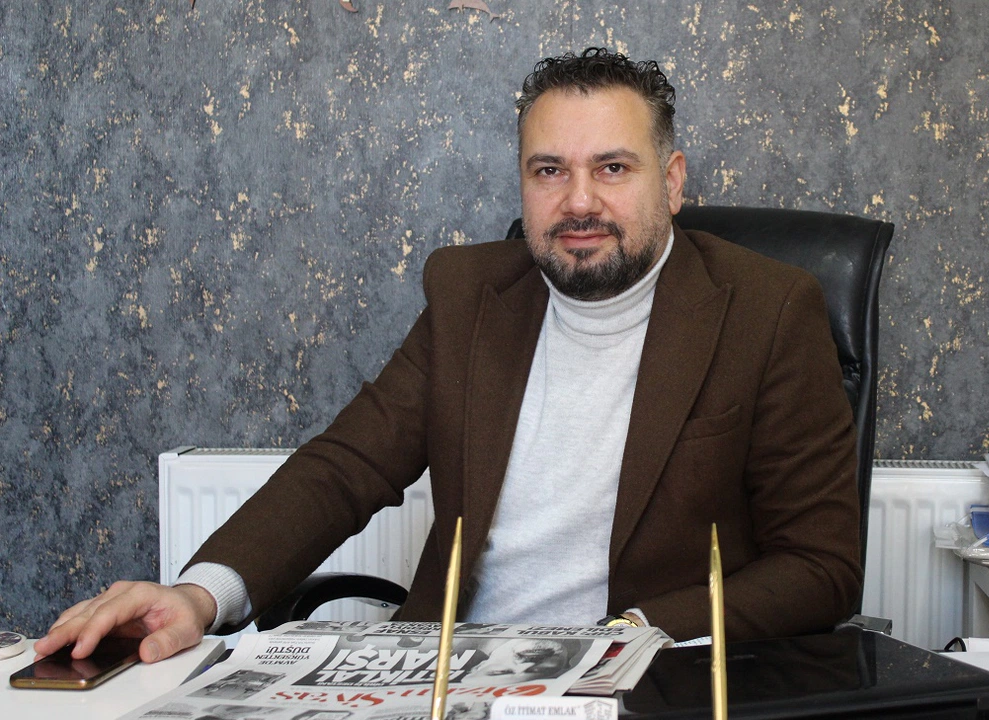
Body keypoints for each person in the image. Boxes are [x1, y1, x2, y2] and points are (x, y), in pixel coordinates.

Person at [37, 47, 862, 664]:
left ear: (672, 181)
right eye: (549, 171)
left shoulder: (766, 311)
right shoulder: (472, 295)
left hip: (640, 679)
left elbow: (821, 565)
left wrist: (639, 633)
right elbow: (346, 467)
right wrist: (198, 594)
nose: (579, 201)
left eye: (613, 168)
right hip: (450, 677)